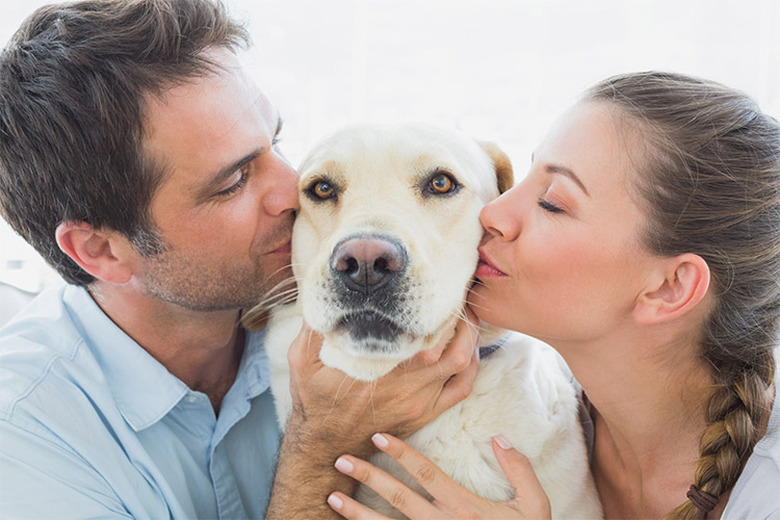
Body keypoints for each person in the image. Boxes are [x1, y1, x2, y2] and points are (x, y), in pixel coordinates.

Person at [0, 0, 480, 518]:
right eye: (233, 181)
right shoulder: (24, 434)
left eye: (275, 142)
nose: (293, 192)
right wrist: (319, 448)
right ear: (101, 250)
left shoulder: (322, 309)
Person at [325, 71, 780, 519]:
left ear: (668, 287)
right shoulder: (547, 418)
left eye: (552, 203)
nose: (492, 211)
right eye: (525, 177)